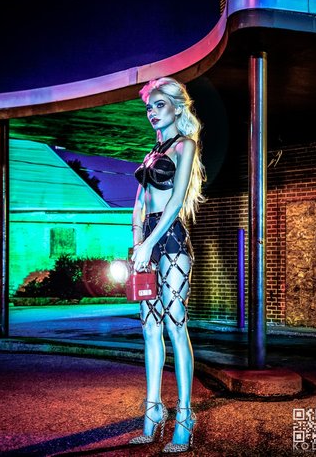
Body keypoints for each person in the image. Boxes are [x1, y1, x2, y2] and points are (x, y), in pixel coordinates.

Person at [128, 76, 206, 453]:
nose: (152, 113)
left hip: (171, 240)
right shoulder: (151, 153)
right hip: (147, 243)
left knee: (175, 326)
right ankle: (153, 412)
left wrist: (148, 244)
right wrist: (137, 245)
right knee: (149, 329)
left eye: (159, 105)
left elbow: (175, 202)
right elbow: (138, 204)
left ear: (177, 107)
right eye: (149, 107)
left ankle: (185, 416)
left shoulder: (184, 146)